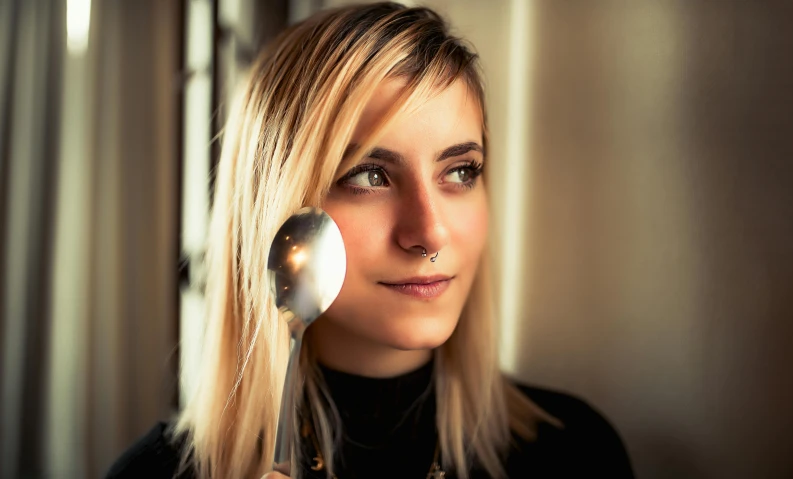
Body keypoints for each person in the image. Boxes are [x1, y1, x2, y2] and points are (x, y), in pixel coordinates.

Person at [106, 2, 634, 478]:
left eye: (460, 172)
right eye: (369, 176)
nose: (429, 233)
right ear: (275, 208)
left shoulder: (576, 454)